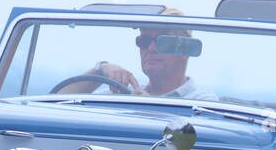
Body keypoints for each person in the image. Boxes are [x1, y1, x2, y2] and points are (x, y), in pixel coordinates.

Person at [59, 7, 219, 100]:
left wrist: (147, 107)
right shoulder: (127, 92)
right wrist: (101, 69)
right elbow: (58, 104)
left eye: (162, 41)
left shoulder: (202, 101)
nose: (150, 48)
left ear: (184, 49)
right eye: (143, 41)